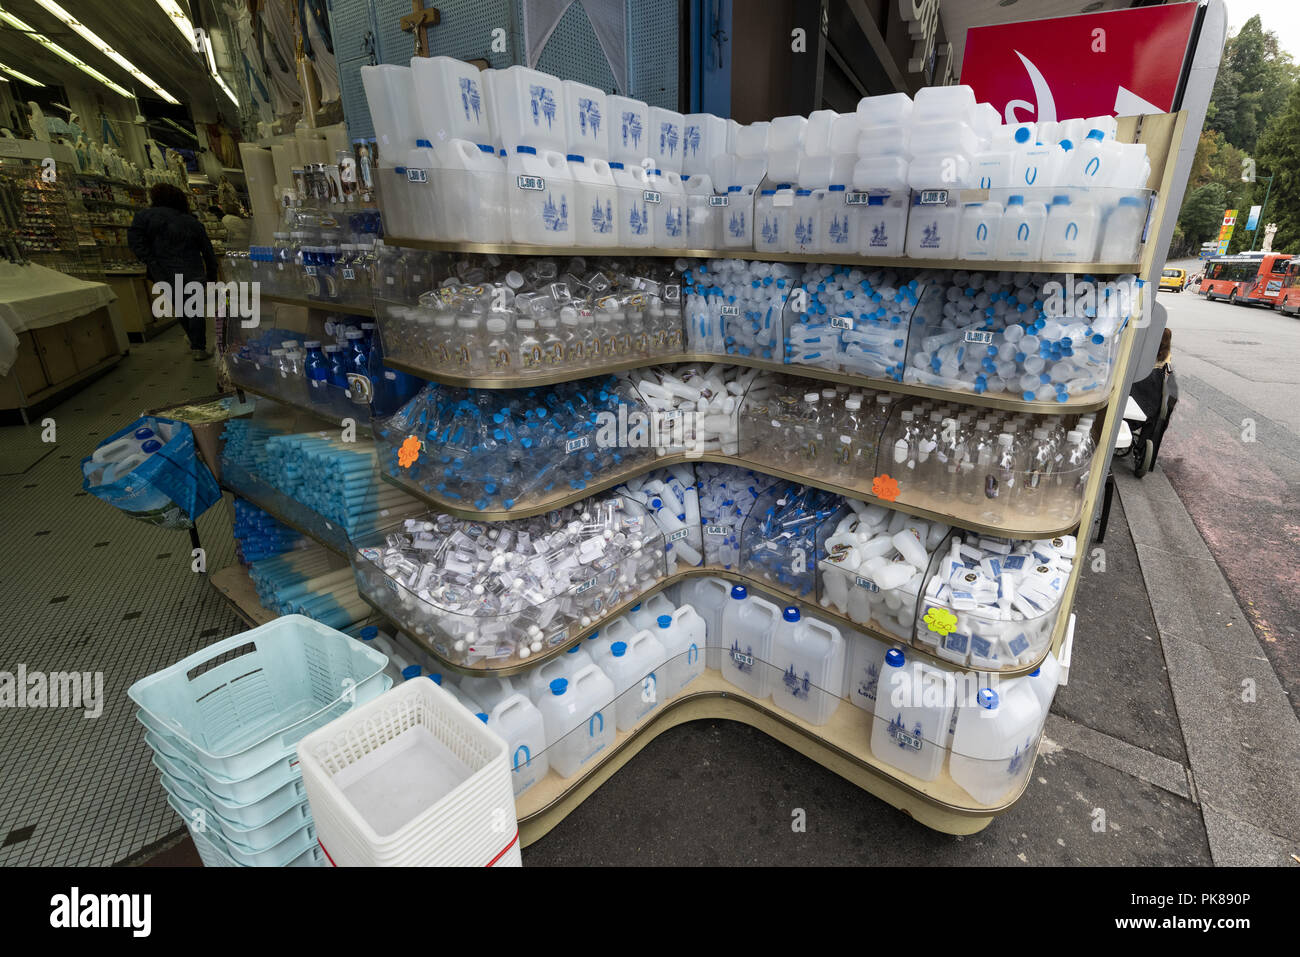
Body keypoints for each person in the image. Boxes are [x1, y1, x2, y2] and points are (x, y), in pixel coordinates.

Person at [128, 184, 217, 360]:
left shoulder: (144, 217)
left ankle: (195, 343)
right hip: (192, 269)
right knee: (195, 308)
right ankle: (198, 346)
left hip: (163, 271)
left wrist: (151, 261)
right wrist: (212, 274)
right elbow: (207, 250)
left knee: (181, 307)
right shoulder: (190, 221)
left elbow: (136, 243)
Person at [1128, 327, 1178, 477]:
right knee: (1154, 418)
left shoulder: (1143, 349)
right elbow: (1167, 374)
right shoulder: (1166, 355)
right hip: (1151, 397)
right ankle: (1141, 447)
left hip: (1136, 389)